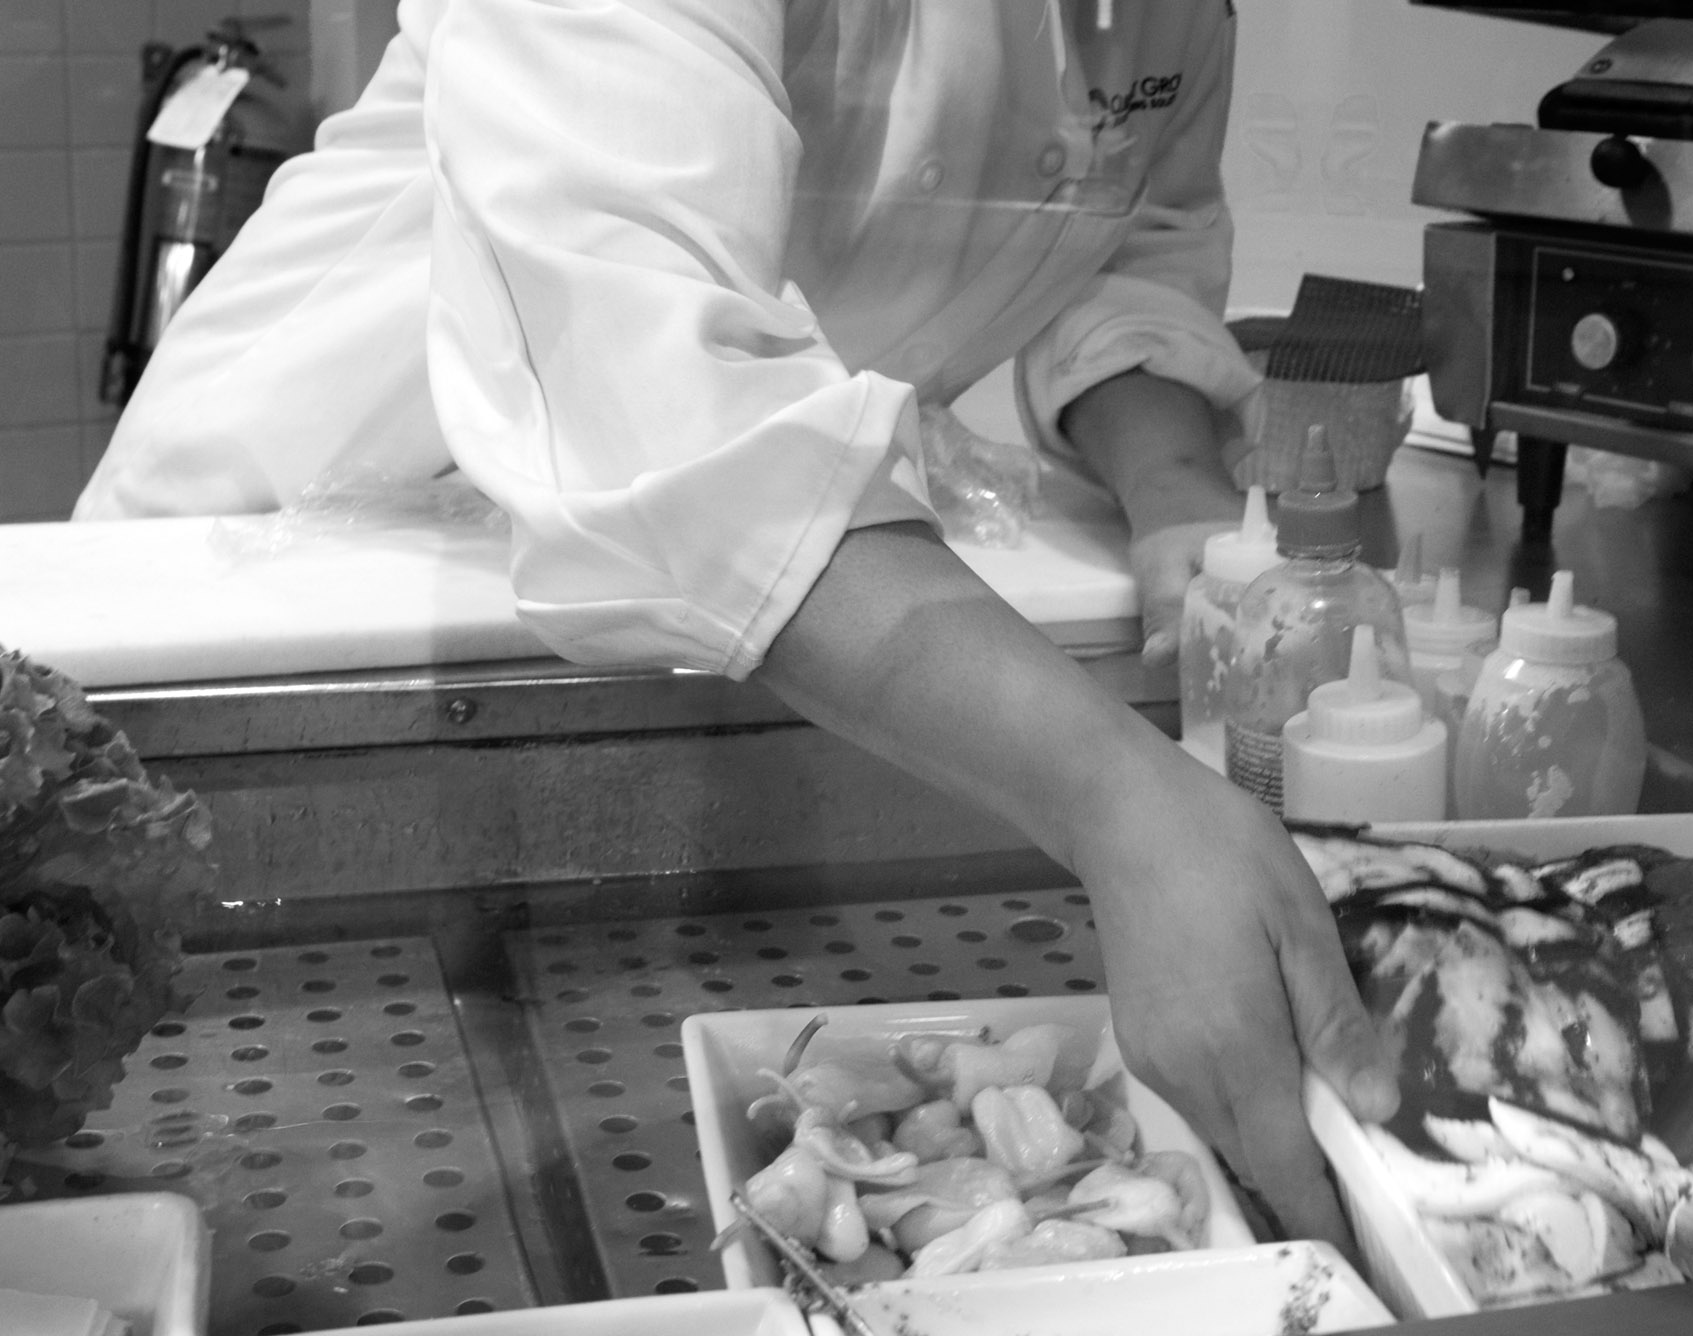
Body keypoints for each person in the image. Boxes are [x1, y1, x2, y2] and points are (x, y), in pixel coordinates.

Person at [76, 0, 1399, 1244]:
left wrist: (1182, 507)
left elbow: (1134, 247)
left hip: (749, 602)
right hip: (282, 586)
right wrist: (1127, 804)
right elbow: (659, 386)